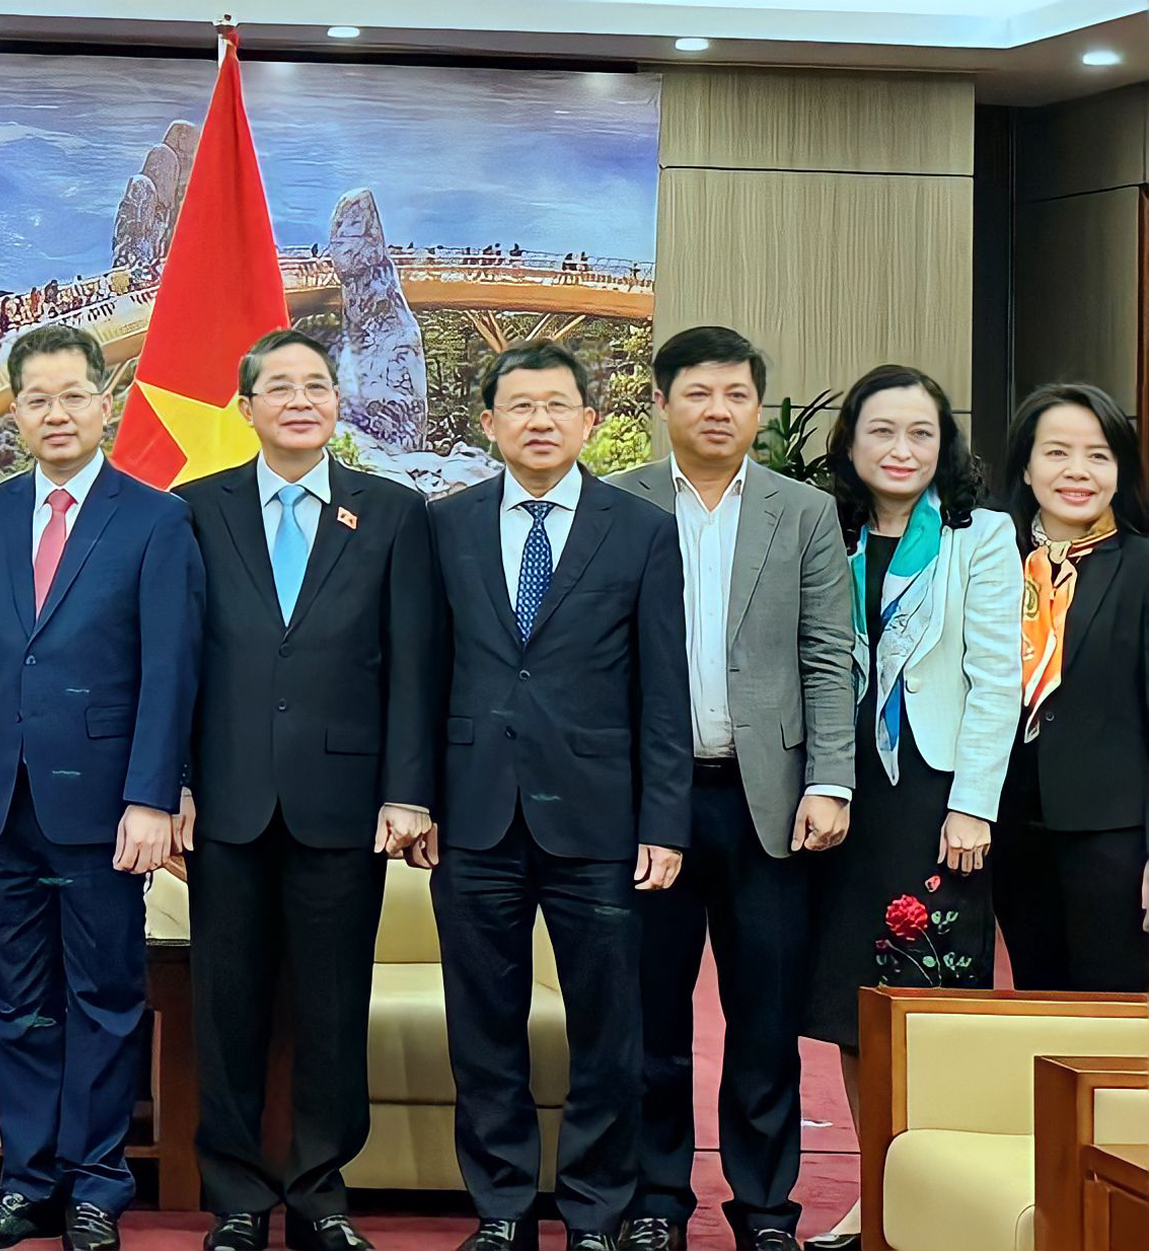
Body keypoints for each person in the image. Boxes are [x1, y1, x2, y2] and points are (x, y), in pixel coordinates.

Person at [416, 340, 691, 1251]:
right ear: (488, 424)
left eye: (557, 405)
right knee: (483, 1027)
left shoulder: (642, 528)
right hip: (476, 813)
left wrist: (664, 819)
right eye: (519, 406)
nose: (539, 421)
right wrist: (413, 798)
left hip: (601, 819)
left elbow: (664, 688)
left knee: (609, 1029)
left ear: (589, 421)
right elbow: (421, 674)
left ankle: (596, 1215)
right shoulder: (445, 524)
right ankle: (499, 1211)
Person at [0, 323, 205, 1251]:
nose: (56, 413)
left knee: (103, 993)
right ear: (15, 413)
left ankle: (97, 1185)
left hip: (106, 807)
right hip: (1, 798)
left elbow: (172, 671)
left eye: (72, 394)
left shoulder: (156, 518)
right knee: (11, 998)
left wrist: (152, 795)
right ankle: (25, 1182)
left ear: (105, 402)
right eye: (36, 398)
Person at [172, 329, 437, 1251]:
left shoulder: (394, 513)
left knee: (332, 1008)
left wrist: (410, 791)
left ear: (336, 402)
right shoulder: (193, 510)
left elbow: (413, 667)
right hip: (227, 802)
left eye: (316, 384)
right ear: (244, 407)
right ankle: (238, 1199)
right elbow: (172, 665)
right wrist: (175, 782)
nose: (298, 399)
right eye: (277, 386)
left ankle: (322, 1194)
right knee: (228, 1005)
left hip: (344, 803)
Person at [606, 328, 855, 1251]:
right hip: (648, 805)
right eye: (699, 392)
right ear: (663, 401)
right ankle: (656, 1201)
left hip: (773, 805)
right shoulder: (617, 504)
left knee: (764, 1020)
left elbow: (830, 654)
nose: (719, 409)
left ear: (757, 406)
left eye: (737, 394)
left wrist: (830, 777)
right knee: (650, 1017)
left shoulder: (804, 513)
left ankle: (765, 1209)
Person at [799, 365, 1018, 1251]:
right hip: (842, 790)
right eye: (882, 431)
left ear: (944, 445)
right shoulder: (827, 531)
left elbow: (996, 681)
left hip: (932, 796)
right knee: (855, 1002)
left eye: (921, 433)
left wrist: (973, 805)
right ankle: (876, 1186)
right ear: (852, 443)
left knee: (927, 997)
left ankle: (927, 1185)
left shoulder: (982, 537)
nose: (901, 449)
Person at [996, 383, 1149, 990]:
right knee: (1037, 999)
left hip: (1115, 834)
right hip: (1009, 826)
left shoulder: (1141, 566)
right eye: (1057, 452)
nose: (1077, 471)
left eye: (1098, 454)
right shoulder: (990, 561)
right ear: (1027, 467)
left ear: (1120, 470)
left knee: (1112, 1011)